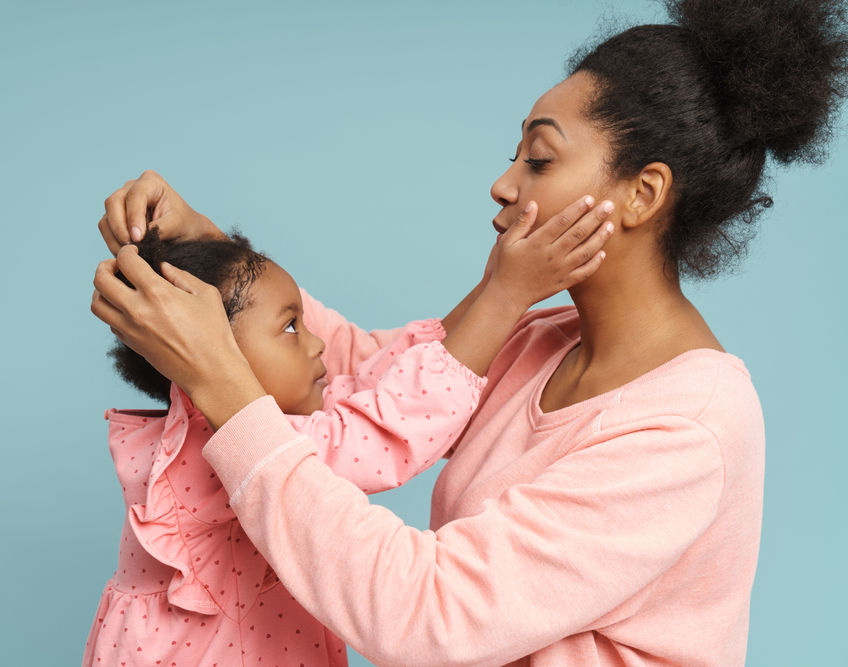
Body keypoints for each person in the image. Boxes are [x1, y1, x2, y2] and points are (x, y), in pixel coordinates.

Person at [91, 0, 848, 664]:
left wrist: (225, 386)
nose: (505, 181)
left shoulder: (689, 427)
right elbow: (364, 377)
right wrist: (212, 260)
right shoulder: (537, 343)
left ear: (643, 193)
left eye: (541, 157)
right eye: (513, 153)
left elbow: (428, 614)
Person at [83, 223, 612, 667]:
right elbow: (385, 431)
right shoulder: (210, 448)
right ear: (203, 349)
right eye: (290, 326)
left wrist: (497, 283)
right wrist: (505, 297)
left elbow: (370, 383)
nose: (317, 343)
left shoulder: (247, 424)